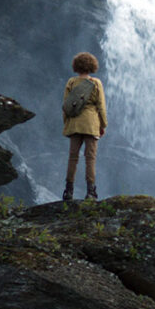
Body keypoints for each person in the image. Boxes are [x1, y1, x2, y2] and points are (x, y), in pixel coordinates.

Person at [62, 52, 107, 201]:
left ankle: (68, 191)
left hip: (74, 123)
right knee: (90, 158)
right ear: (92, 66)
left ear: (76, 66)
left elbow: (66, 106)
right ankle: (90, 192)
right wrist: (103, 124)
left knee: (73, 158)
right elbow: (101, 106)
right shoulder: (96, 83)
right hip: (91, 124)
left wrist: (67, 123)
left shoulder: (71, 82)